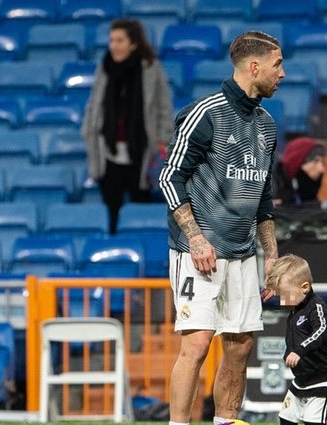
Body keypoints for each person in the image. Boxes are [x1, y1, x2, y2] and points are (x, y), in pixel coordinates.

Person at [158, 31, 285, 425]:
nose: (283, 73)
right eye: (278, 64)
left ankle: (225, 422)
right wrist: (195, 239)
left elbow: (263, 196)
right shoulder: (205, 113)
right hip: (199, 251)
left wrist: (272, 255)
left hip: (243, 253)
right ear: (254, 67)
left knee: (241, 346)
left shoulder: (267, 125)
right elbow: (169, 177)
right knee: (196, 345)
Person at [82, 18, 174, 234]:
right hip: (108, 150)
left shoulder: (152, 69)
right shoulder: (104, 68)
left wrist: (163, 141)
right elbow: (94, 104)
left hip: (141, 149)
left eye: (119, 40)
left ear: (133, 43)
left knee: (140, 203)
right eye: (111, 40)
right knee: (111, 207)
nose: (113, 45)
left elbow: (163, 108)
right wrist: (88, 130)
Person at [265, 254, 327, 425]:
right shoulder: (295, 307)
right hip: (302, 381)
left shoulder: (316, 307)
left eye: (285, 295)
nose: (281, 301)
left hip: (324, 381)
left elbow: (322, 331)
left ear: (305, 287)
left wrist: (299, 350)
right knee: (286, 418)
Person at [272, 137, 327, 205]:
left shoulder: (305, 186)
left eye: (323, 163)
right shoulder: (271, 186)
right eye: (315, 161)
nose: (321, 169)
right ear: (297, 161)